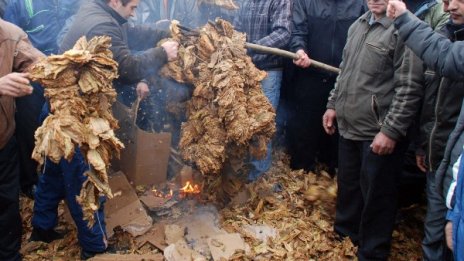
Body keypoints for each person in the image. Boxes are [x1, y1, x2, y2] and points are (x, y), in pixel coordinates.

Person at [31, 0, 178, 259]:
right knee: (87, 184)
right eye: (132, 7)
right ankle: (95, 248)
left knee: (53, 173)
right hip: (75, 121)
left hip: (56, 111)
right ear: (114, 2)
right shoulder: (102, 23)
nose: (133, 13)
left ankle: (42, 228)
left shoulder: (98, 11)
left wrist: (161, 32)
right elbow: (128, 68)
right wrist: (162, 53)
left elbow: (128, 32)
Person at [322, 0, 423, 259]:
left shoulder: (405, 29)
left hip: (377, 132)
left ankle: (372, 251)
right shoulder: (358, 24)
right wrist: (333, 104)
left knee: (378, 197)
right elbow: (345, 71)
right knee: (349, 187)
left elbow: (410, 88)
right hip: (349, 125)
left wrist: (390, 131)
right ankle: (344, 239)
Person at [388, 1, 464, 260]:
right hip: (437, 157)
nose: (451, 6)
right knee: (434, 231)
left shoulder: (443, 45)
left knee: (454, 236)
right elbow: (430, 101)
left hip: (458, 166)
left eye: (461, 1)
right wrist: (423, 145)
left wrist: (405, 19)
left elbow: (446, 57)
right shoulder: (443, 33)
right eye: (447, 1)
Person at [4, 0, 82, 199]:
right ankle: (29, 181)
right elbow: (10, 40)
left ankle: (54, 177)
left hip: (61, 74)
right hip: (30, 76)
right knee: (29, 129)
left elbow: (75, 20)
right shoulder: (21, 3)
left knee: (59, 128)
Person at [287, 0, 366, 174]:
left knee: (338, 132)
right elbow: (298, 31)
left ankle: (334, 173)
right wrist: (299, 49)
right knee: (305, 128)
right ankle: (302, 173)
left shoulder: (360, 4)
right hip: (311, 75)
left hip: (344, 78)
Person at [0, 17, 44, 261]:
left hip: (3, 139)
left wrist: (55, 69)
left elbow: (36, 61)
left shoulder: (9, 34)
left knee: (7, 206)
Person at [234, 0, 291, 181]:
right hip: (246, 70)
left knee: (262, 125)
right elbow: (237, 28)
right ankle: (245, 170)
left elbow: (283, 33)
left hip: (269, 71)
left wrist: (253, 47)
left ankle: (260, 178)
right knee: (244, 121)